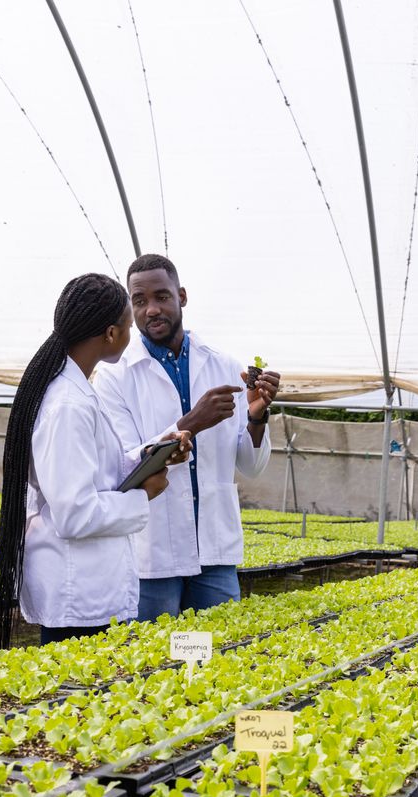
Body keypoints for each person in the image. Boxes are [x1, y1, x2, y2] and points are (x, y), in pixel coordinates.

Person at [0, 272, 191, 649]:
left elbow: (96, 470)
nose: (132, 334)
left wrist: (151, 453)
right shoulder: (67, 404)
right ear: (111, 334)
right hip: (76, 592)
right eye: (129, 326)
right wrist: (142, 494)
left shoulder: (78, 389)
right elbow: (74, 513)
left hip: (87, 586)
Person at [94, 253, 280, 620]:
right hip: (153, 554)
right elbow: (124, 462)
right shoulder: (114, 377)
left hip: (214, 551)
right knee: (154, 661)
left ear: (181, 296)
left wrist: (257, 417)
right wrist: (192, 422)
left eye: (161, 296)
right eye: (140, 301)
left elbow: (250, 466)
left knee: (209, 657)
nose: (151, 309)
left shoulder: (223, 365)